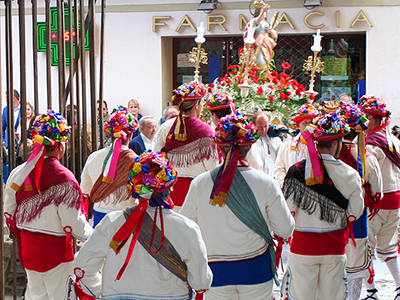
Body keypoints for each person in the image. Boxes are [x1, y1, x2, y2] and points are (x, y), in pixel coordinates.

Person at [181, 112, 294, 299]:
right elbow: (285, 228)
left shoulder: (200, 183)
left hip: (214, 269)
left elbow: (187, 227)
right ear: (249, 147)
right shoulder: (266, 183)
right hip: (256, 268)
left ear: (220, 148)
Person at [73, 151, 213, 299]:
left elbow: (82, 266)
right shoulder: (187, 228)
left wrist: (103, 290)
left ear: (134, 187)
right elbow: (201, 282)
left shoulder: (111, 222)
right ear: (170, 188)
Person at [4, 110, 93, 299]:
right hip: (56, 253)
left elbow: (9, 212)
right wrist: (94, 237)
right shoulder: (65, 178)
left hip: (28, 250)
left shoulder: (18, 173)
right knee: (60, 295)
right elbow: (74, 224)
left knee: (36, 295)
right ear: (60, 147)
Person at [281, 112, 364, 300]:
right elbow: (354, 213)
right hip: (334, 247)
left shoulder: (296, 171)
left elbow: (288, 209)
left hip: (303, 246)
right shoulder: (351, 174)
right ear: (336, 144)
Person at [337, 102, 383, 300]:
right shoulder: (368, 157)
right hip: (358, 218)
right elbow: (377, 192)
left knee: (332, 264)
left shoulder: (323, 156)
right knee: (355, 263)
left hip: (330, 218)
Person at [358, 95, 400, 300]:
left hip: (377, 203)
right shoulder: (394, 140)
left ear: (372, 118)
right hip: (395, 202)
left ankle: (372, 291)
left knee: (366, 247)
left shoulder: (372, 143)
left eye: (365, 118)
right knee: (389, 247)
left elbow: (366, 174)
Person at [154, 81, 219, 210]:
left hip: (169, 192)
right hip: (197, 193)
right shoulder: (206, 131)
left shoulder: (165, 127)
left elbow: (156, 158)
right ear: (196, 106)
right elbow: (213, 167)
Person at [80, 106, 139, 227]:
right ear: (130, 135)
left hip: (101, 216)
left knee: (102, 246)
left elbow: (85, 190)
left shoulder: (93, 157)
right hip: (128, 216)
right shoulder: (137, 161)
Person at [273, 103, 319, 187]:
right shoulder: (287, 144)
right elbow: (279, 169)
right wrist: (288, 185)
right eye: (305, 123)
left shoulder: (320, 144)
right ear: (298, 125)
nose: (308, 126)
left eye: (311, 123)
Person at [243, 2, 278, 70]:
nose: (264, 14)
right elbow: (257, 22)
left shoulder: (266, 23)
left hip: (265, 42)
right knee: (259, 60)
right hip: (257, 42)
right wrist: (263, 11)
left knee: (266, 59)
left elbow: (274, 36)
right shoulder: (254, 21)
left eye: (265, 12)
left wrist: (270, 31)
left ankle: (264, 74)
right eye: (262, 12)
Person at [247, 111, 282, 176]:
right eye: (260, 127)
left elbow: (281, 160)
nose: (263, 129)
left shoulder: (275, 140)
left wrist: (285, 135)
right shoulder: (248, 142)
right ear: (253, 125)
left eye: (266, 126)